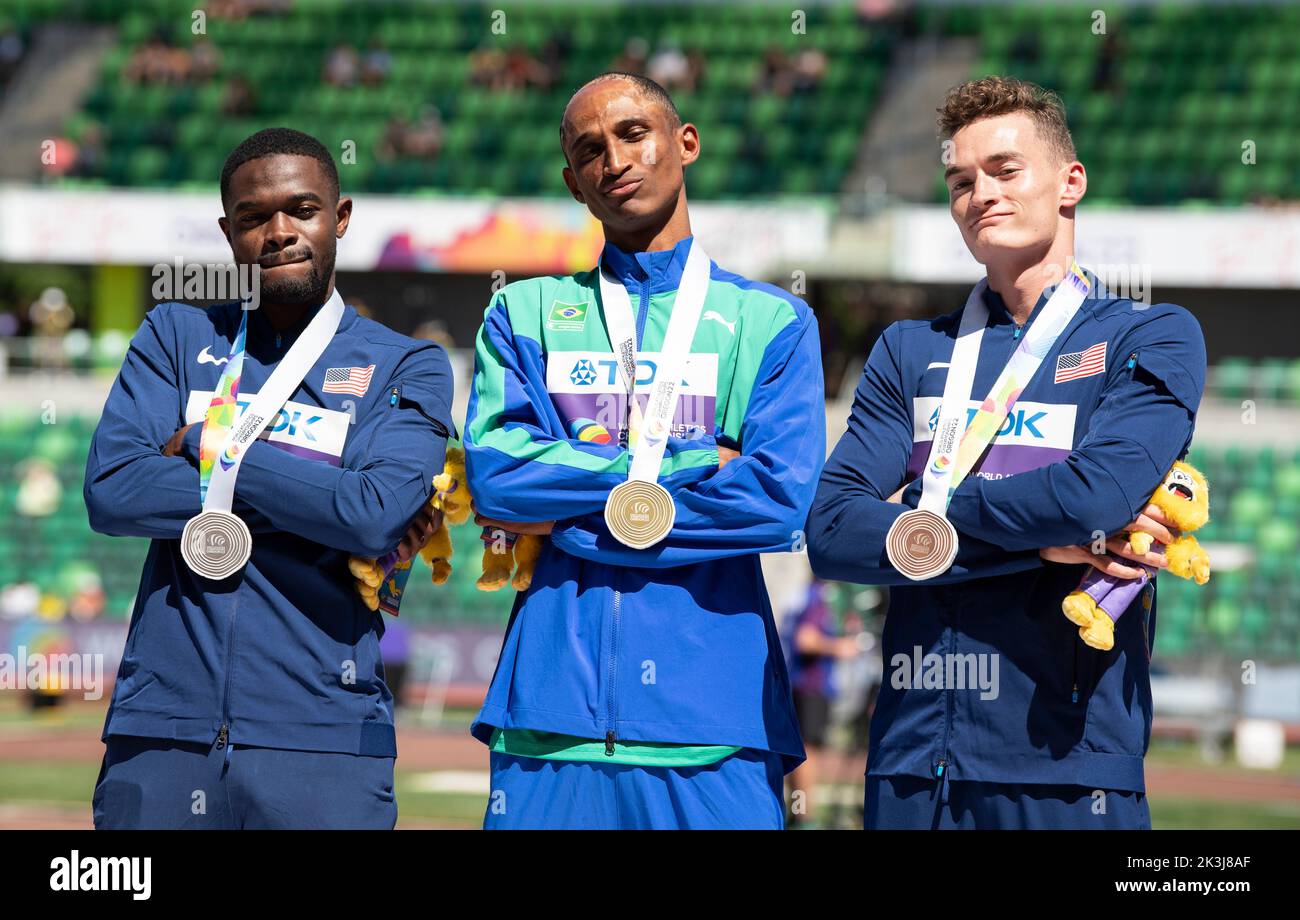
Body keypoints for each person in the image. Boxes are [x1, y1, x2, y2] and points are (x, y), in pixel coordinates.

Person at [807, 76, 1206, 829]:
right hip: (910, 762)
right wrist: (1040, 541)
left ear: (1070, 182)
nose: (979, 193)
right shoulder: (908, 351)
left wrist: (925, 517)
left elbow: (1094, 498)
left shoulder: (1149, 336)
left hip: (1069, 762)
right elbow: (829, 532)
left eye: (1005, 169)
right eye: (960, 180)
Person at [463, 72, 825, 829]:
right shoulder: (523, 311)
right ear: (574, 183)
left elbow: (775, 502)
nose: (615, 160)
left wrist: (568, 516)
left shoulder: (772, 321)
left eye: (633, 133)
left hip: (715, 725)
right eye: (590, 150)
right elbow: (497, 477)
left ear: (684, 143)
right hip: (547, 721)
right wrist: (690, 463)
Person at [85, 128, 454, 829]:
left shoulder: (408, 365)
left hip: (323, 741)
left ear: (340, 219)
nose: (279, 232)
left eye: (302, 209)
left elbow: (372, 514)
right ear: (229, 233)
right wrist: (321, 493)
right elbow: (114, 491)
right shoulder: (176, 334)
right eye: (254, 218)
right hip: (162, 734)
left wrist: (208, 446)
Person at [783, 579, 860, 829]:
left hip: (803, 684)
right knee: (808, 753)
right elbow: (805, 639)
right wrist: (840, 647)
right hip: (811, 685)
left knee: (802, 751)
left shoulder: (807, 594)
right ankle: (806, 817)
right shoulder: (820, 596)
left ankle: (799, 812)